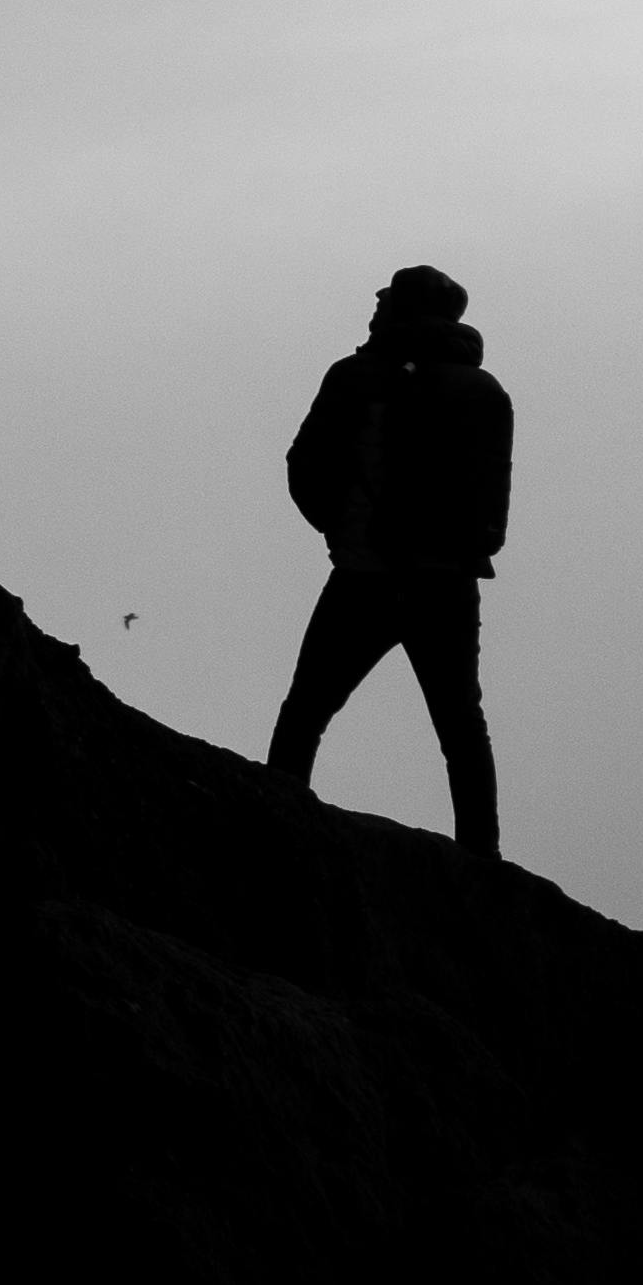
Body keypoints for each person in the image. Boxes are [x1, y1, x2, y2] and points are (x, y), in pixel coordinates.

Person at [265, 261, 510, 863]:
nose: (374, 304)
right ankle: (482, 861)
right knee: (461, 727)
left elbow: (304, 465)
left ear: (405, 309)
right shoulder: (484, 391)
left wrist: (344, 530)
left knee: (305, 713)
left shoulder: (354, 376)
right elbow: (492, 499)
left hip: (363, 575)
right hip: (445, 581)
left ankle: (271, 821)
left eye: (387, 298)